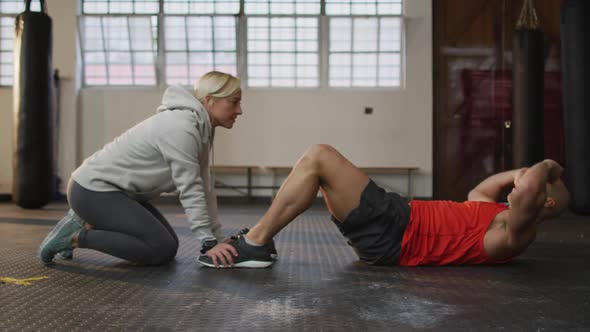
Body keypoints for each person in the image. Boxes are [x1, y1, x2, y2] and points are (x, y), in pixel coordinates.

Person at [197, 144, 570, 268]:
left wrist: (547, 166)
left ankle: (257, 243)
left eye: (527, 185)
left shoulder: (516, 234)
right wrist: (517, 170)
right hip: (396, 218)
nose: (517, 186)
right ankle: (261, 241)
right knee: (318, 165)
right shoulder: (494, 216)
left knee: (318, 157)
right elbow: (478, 192)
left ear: (544, 199)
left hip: (397, 232)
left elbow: (527, 191)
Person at [38, 71, 254, 266]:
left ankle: (83, 222)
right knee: (159, 249)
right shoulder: (182, 126)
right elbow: (190, 189)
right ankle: (75, 235)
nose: (240, 110)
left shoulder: (201, 127)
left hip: (117, 193)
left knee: (167, 245)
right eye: (234, 102)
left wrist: (215, 238)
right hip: (92, 190)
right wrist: (208, 243)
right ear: (210, 100)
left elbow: (205, 187)